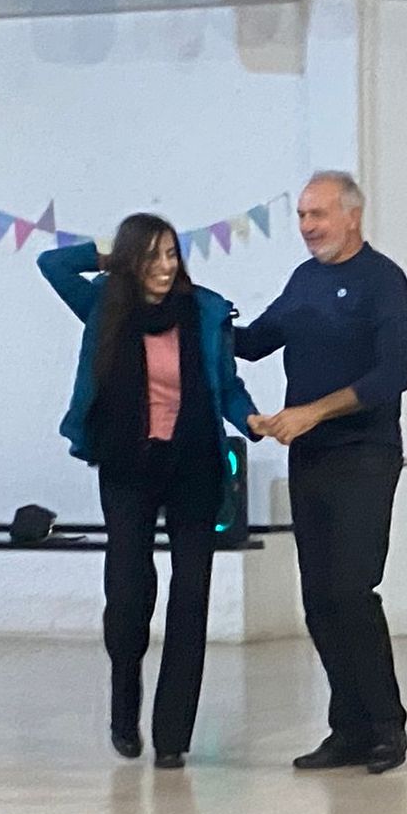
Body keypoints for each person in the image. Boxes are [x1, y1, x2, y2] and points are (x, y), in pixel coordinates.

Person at [39, 218, 261, 770]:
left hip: (194, 463)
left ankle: (173, 737)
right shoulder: (105, 306)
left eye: (171, 255)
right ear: (130, 261)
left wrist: (252, 419)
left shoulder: (204, 311)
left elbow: (226, 385)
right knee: (129, 590)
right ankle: (124, 708)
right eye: (152, 256)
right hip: (128, 463)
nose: (165, 267)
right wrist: (112, 251)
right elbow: (52, 264)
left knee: (191, 595)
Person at [234, 172, 407, 776]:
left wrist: (312, 412)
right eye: (302, 216)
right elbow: (253, 342)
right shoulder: (304, 281)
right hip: (310, 457)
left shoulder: (383, 282)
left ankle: (386, 726)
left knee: (352, 590)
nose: (308, 226)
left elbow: (394, 374)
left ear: (352, 216)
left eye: (318, 214)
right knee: (318, 598)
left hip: (365, 453)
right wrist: (192, 313)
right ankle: (349, 730)